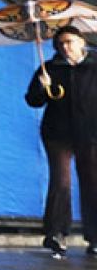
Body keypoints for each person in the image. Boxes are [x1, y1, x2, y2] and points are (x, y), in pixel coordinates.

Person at [25, 25, 97, 258]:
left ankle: (95, 238)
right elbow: (33, 101)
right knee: (61, 181)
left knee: (92, 183)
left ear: (81, 42)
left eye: (69, 42)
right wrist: (42, 87)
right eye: (60, 44)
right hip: (58, 134)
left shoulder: (94, 66)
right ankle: (56, 234)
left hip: (91, 133)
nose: (65, 47)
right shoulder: (49, 69)